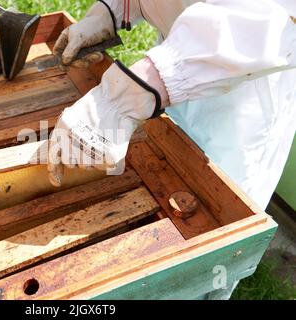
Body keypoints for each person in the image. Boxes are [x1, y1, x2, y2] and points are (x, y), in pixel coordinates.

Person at [47, 0, 296, 299]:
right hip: (173, 54)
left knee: (211, 237)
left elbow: (271, 22)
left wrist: (129, 93)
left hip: (244, 93)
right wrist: (110, 12)